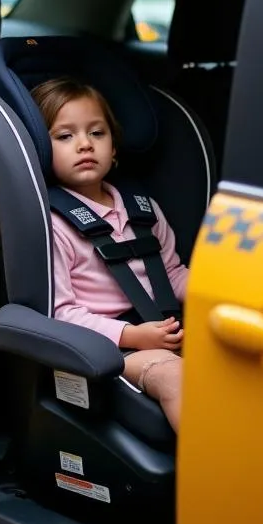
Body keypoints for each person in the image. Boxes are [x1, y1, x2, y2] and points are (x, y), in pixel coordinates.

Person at [31, 76, 187, 433]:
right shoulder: (54, 226)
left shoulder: (141, 209)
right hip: (112, 348)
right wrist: (133, 336)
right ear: (41, 148)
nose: (84, 144)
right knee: (175, 376)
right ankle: (212, 478)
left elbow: (173, 273)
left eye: (96, 133)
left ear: (114, 147)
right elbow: (61, 313)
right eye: (65, 136)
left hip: (165, 329)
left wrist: (219, 297)